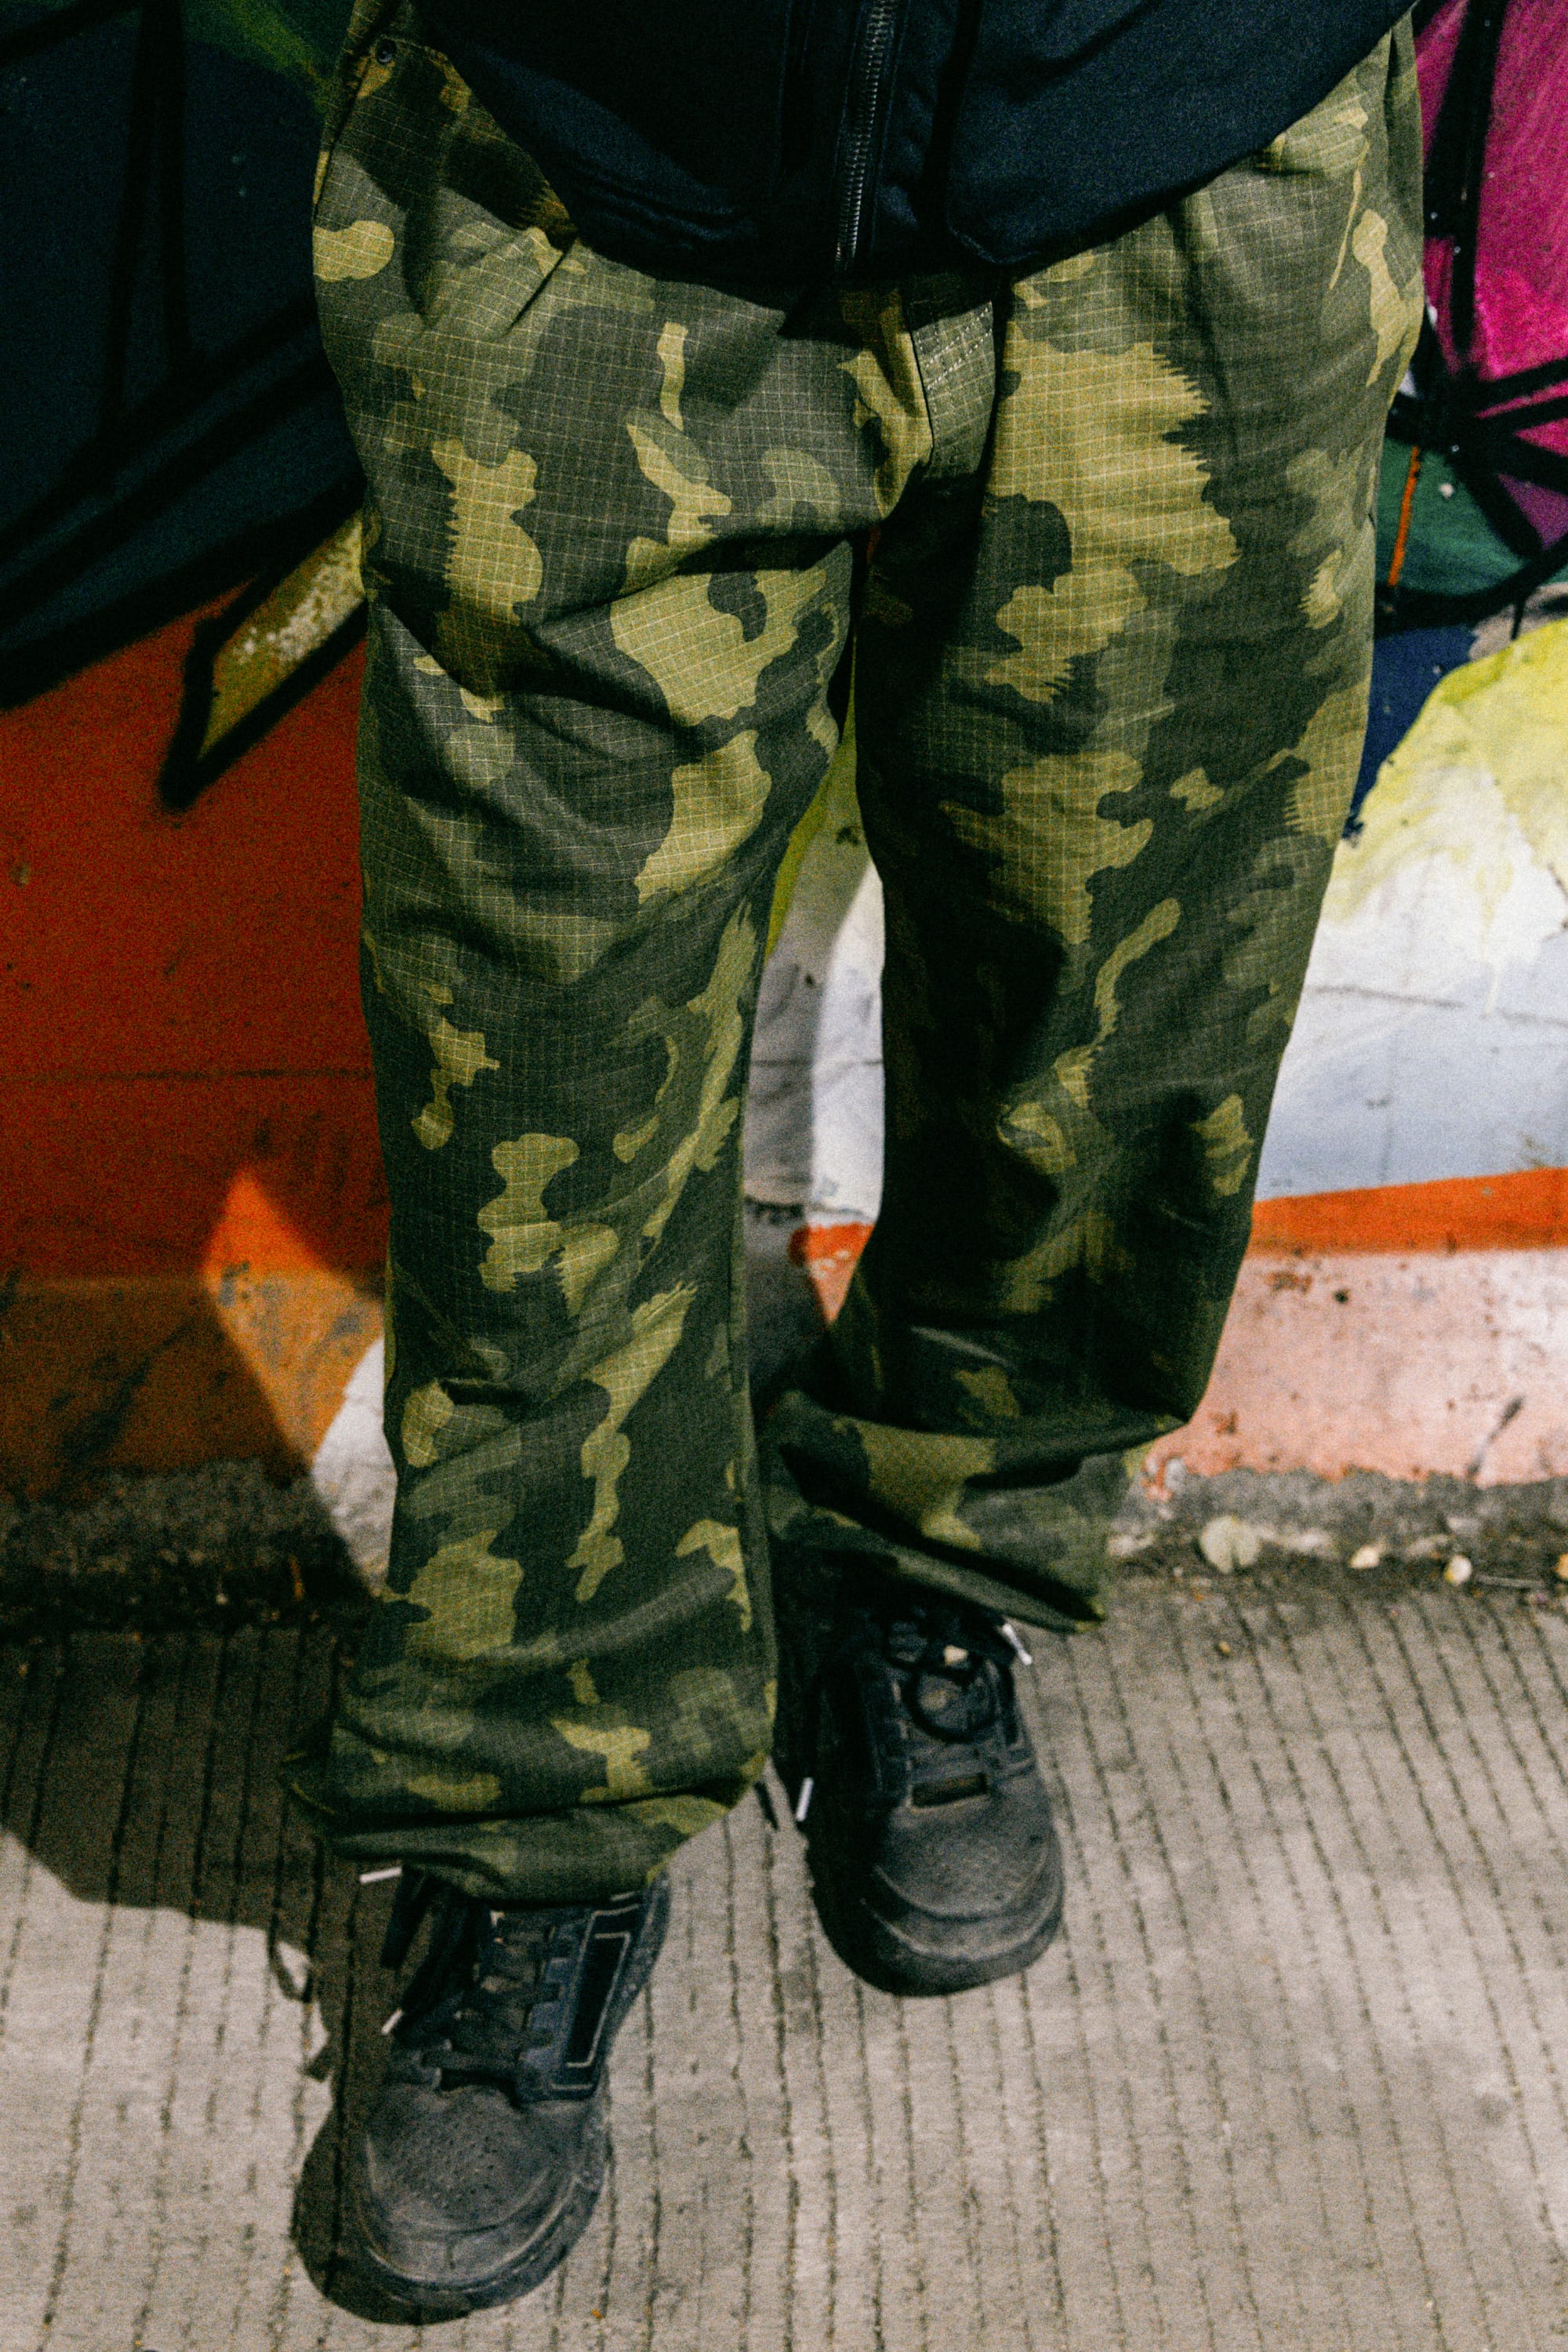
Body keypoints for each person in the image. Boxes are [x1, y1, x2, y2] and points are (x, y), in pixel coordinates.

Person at [289, 0, 1424, 2314]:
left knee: (1125, 1021)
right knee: (541, 1095)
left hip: (1191, 144)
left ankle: (938, 1567)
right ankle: (536, 1816)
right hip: (585, 166)